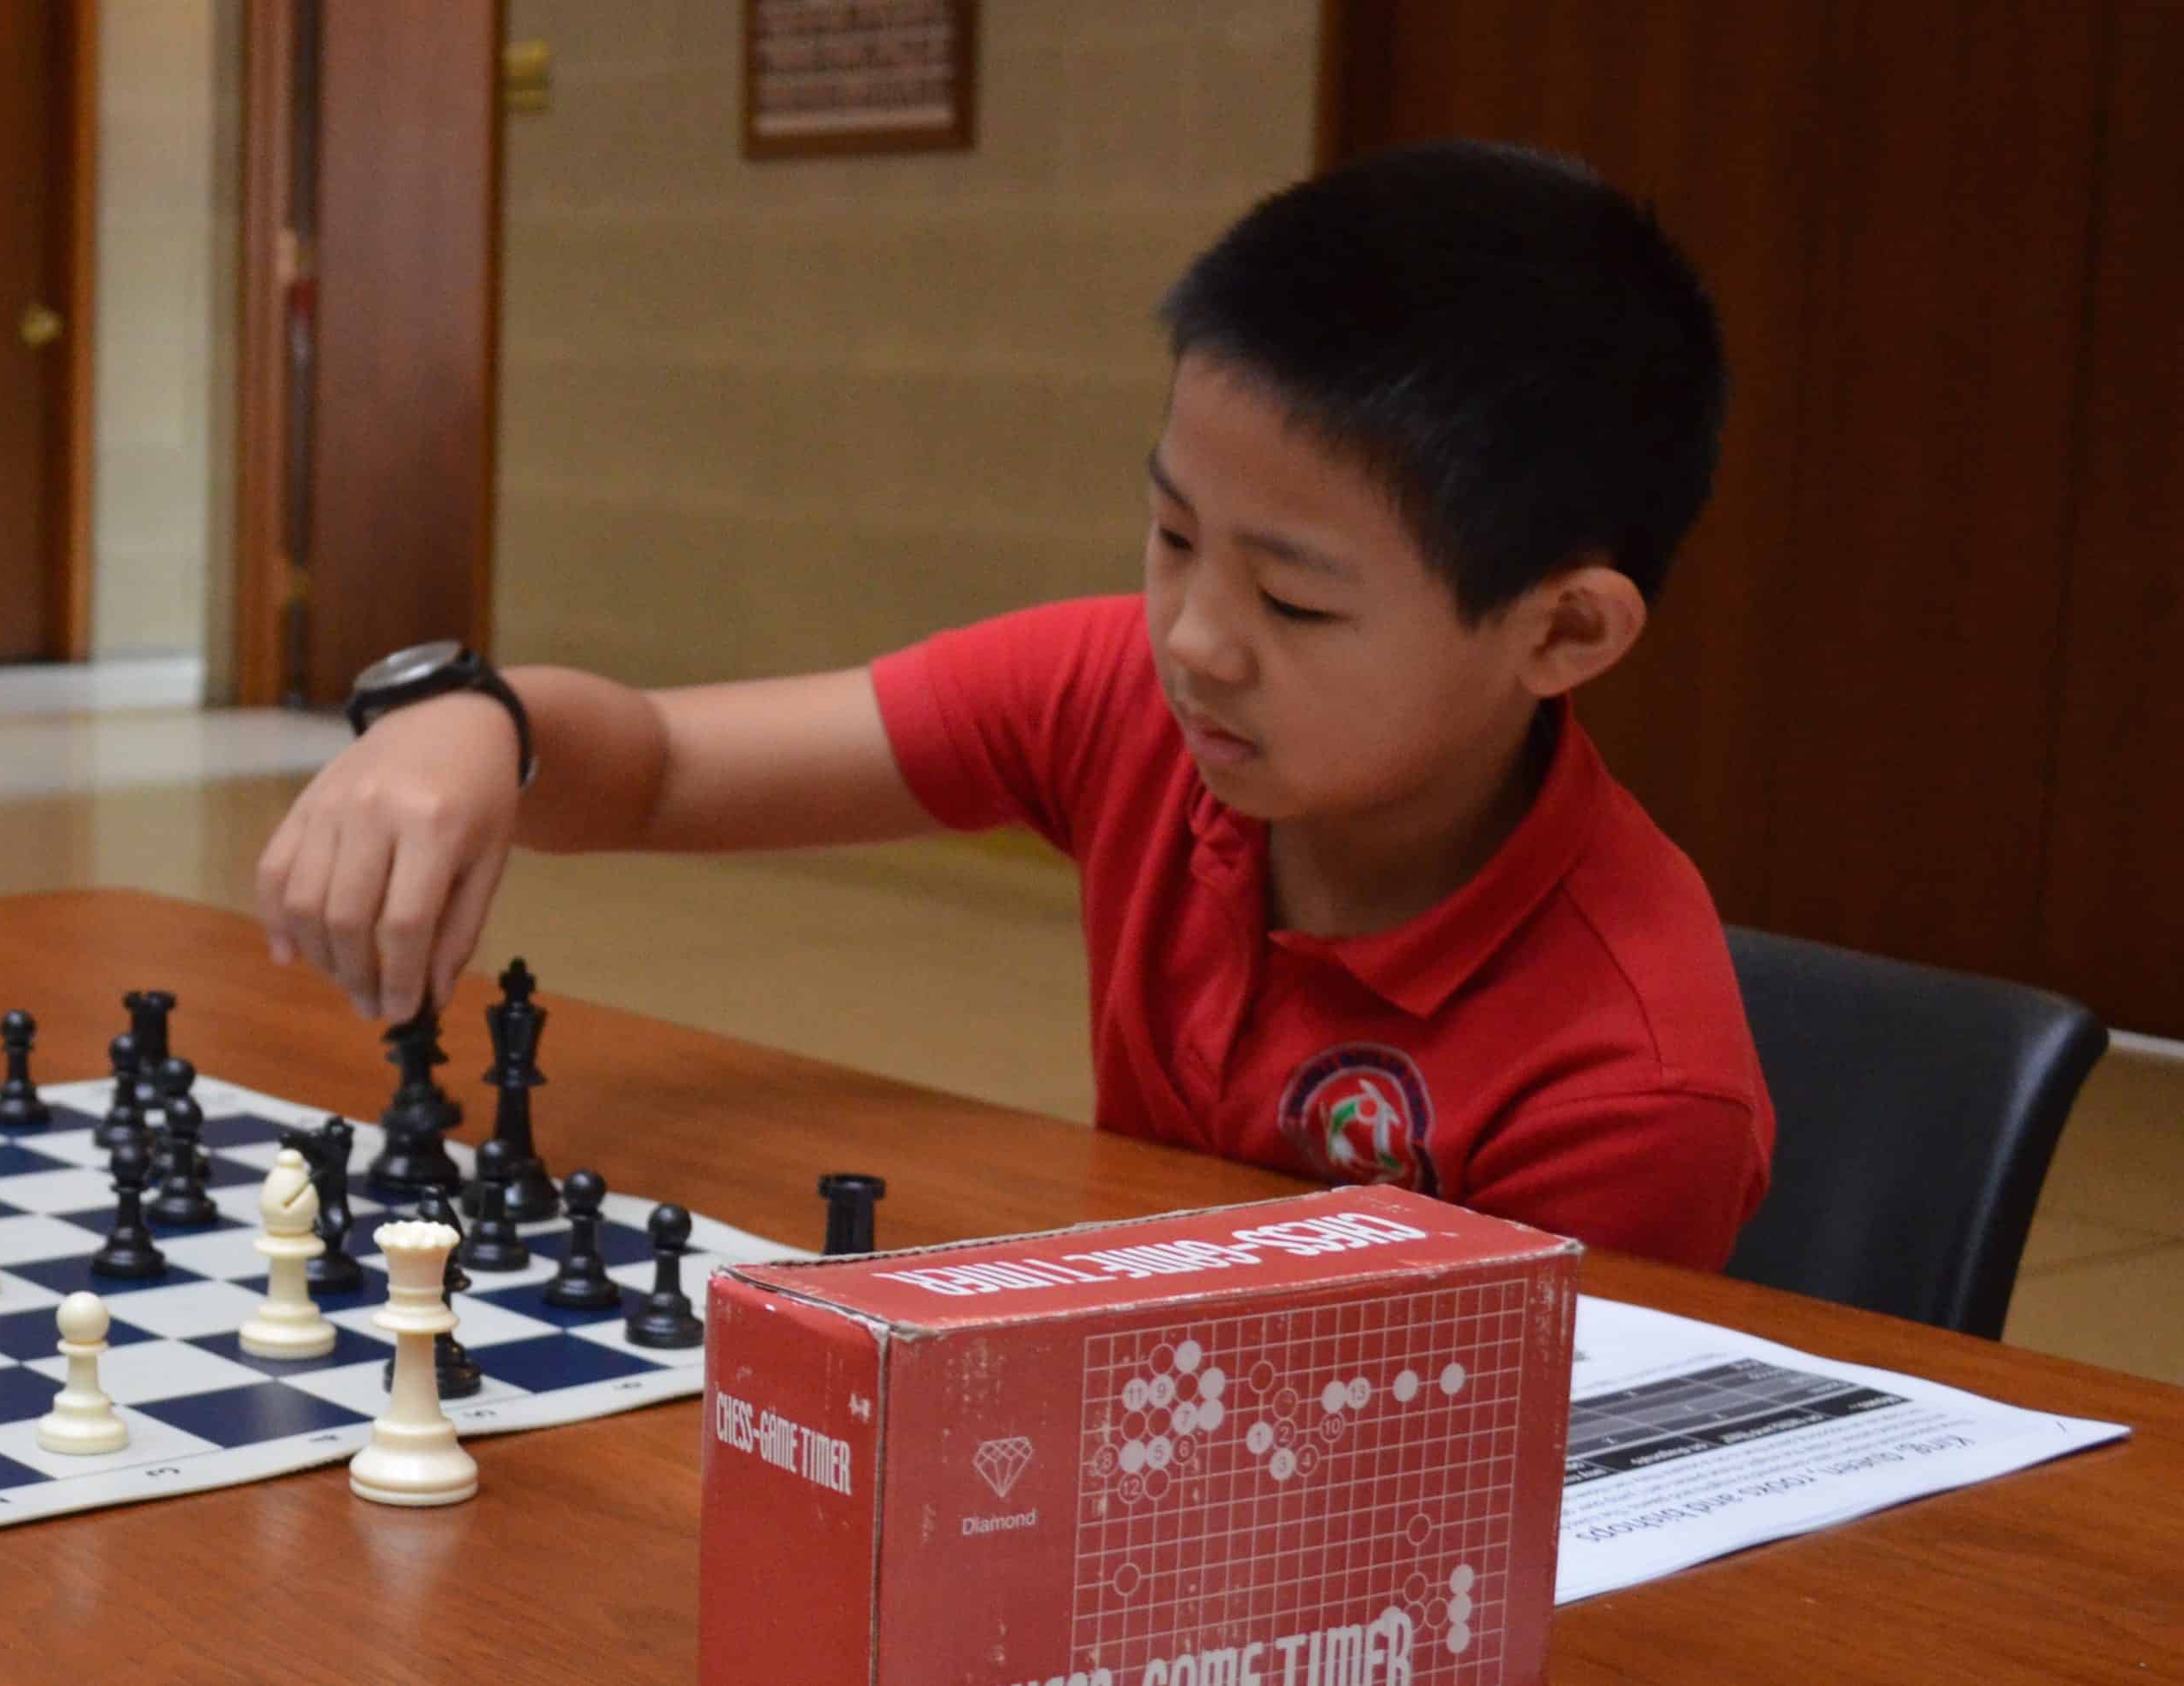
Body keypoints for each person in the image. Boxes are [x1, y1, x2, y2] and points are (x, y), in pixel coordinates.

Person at [263, 141, 1769, 1268]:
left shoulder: (1635, 1089)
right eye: (1172, 535)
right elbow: (658, 772)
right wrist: (481, 723)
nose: (1193, 639)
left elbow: (1523, 1516)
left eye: (1295, 600)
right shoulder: (1123, 697)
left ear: (1564, 632)